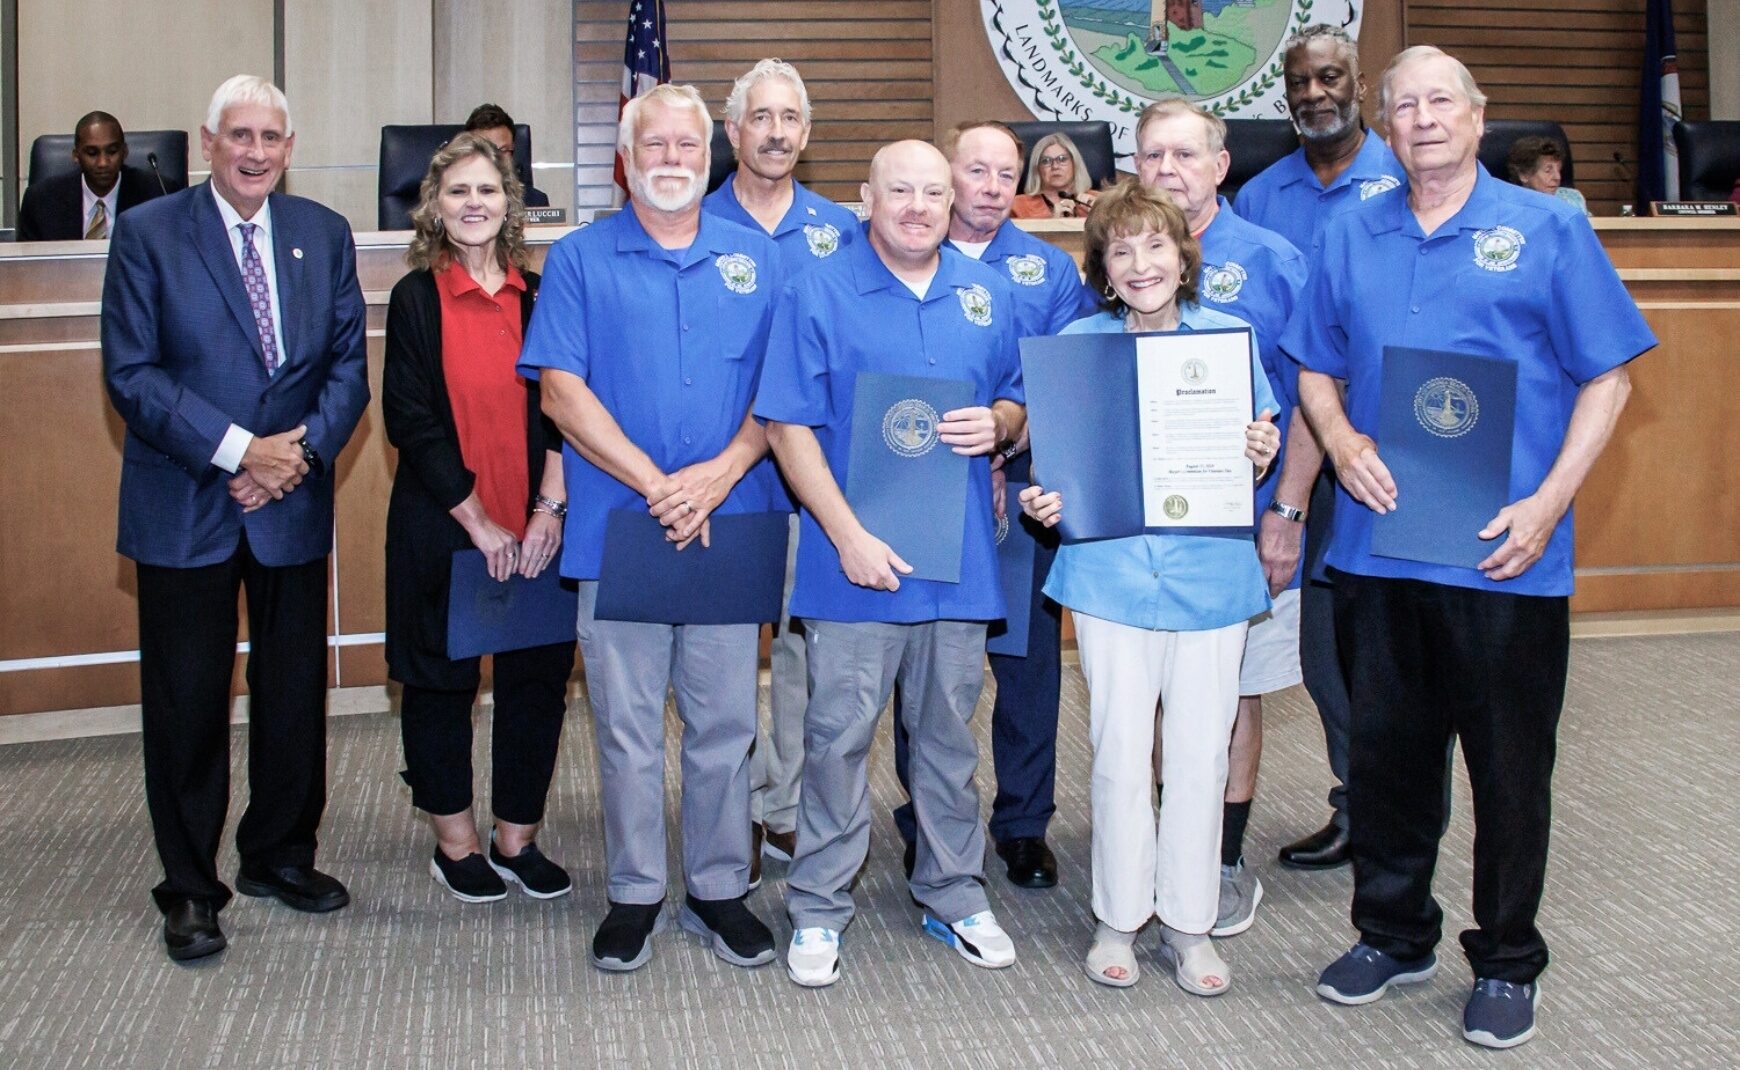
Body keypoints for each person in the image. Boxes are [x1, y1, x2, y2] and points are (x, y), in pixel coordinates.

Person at [1283, 46, 1653, 1048]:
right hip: (1376, 549)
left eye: (1441, 100)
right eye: (1403, 105)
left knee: (1508, 767)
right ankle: (1392, 932)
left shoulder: (1549, 227)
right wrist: (1345, 438)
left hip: (1506, 554)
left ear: (1477, 118)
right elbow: (1314, 365)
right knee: (1390, 762)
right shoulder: (1350, 231)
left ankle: (1507, 956)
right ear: (1386, 127)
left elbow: (1609, 376)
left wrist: (1548, 502)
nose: (1423, 118)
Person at [100, 74, 369, 962]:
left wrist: (293, 456)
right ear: (208, 142)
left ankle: (280, 855)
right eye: (239, 136)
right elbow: (132, 374)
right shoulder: (148, 233)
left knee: (292, 693)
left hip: (289, 498)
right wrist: (237, 451)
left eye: (271, 138)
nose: (255, 152)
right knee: (187, 704)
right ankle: (189, 888)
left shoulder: (322, 234)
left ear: (290, 149)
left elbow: (345, 370)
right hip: (187, 499)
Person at [518, 83, 783, 973]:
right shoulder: (581, 260)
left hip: (731, 520)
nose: (673, 160)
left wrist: (716, 475)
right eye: (656, 147)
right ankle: (634, 891)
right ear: (624, 162)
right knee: (626, 726)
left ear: (709, 158)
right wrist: (657, 482)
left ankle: (716, 887)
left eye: (688, 147)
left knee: (724, 722)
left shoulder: (759, 260)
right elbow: (560, 390)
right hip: (621, 526)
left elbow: (779, 396)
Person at [757, 139, 1026, 988]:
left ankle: (952, 889)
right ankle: (818, 904)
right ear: (864, 199)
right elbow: (787, 425)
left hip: (958, 562)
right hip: (852, 562)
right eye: (898, 190)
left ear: (954, 204)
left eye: (934, 193)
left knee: (948, 736)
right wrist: (844, 534)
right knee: (837, 738)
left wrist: (1004, 426)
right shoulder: (817, 288)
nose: (917, 206)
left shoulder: (986, 294)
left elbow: (1018, 396)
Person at [1019, 180, 1280, 993]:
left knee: (1200, 755)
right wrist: (1043, 497)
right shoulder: (1077, 345)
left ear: (1183, 256)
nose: (1141, 263)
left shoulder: (1230, 338)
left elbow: (1260, 440)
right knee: (1122, 753)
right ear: (1102, 268)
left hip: (1209, 574)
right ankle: (1119, 916)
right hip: (1110, 575)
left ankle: (1192, 925)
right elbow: (1052, 466)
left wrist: (1258, 446)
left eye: (1156, 246)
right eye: (1121, 250)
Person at [887, 120, 1096, 891]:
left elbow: (1067, 382)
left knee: (1027, 669)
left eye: (1007, 174)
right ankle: (926, 822)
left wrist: (1010, 445)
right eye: (976, 172)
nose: (993, 187)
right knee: (927, 670)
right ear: (947, 176)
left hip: (1022, 500)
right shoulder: (903, 258)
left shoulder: (1048, 272)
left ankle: (1021, 826)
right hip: (924, 495)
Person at [381, 133, 575, 905]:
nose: (473, 204)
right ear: (435, 205)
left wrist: (546, 510)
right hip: (446, 525)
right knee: (441, 683)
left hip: (537, 527)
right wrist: (479, 522)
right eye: (457, 191)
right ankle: (456, 845)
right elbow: (410, 420)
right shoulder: (416, 298)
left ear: (510, 203)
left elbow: (565, 410)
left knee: (536, 680)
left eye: (487, 191)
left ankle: (516, 839)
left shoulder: (540, 294)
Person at [1133, 97, 1310, 939]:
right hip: (1143, 535)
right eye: (1152, 156)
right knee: (1160, 698)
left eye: (1184, 155)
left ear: (1219, 163)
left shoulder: (1274, 262)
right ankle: (1172, 842)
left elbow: (1315, 397)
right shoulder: (1121, 258)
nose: (1168, 171)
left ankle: (1224, 857)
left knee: (1234, 692)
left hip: (1245, 526)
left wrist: (1286, 509)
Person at [1235, 23, 1404, 872]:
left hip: (1375, 452)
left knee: (1378, 645)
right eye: (1299, 83)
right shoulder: (1261, 198)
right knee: (1320, 650)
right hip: (1288, 452)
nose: (1314, 94)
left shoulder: (1406, 183)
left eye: (1330, 77)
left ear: (1360, 83)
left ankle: (1388, 809)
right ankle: (1358, 802)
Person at [702, 59, 860, 886]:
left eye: (789, 119)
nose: (774, 133)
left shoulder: (841, 230)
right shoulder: (688, 222)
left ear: (806, 132)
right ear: (732, 133)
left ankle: (788, 810)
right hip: (722, 481)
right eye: (758, 118)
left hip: (808, 481)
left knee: (803, 658)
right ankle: (728, 821)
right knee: (724, 664)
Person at [17, 111, 167, 241]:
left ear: (125, 152)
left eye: (112, 151)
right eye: (92, 153)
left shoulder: (158, 196)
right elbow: (26, 267)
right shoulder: (41, 201)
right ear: (76, 156)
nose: (103, 163)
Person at [462, 103, 550, 208]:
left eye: (503, 150)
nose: (495, 157)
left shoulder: (535, 201)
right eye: (486, 150)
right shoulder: (455, 199)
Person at [1011, 132, 1099, 219]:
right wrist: (1052, 224)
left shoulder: (1100, 201)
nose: (1055, 166)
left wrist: (1099, 216)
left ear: (1075, 163)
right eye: (1046, 161)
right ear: (1037, 169)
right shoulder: (1017, 206)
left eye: (1062, 159)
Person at [1506, 135, 1590, 216]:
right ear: (1524, 175)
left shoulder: (1573, 198)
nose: (1558, 177)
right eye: (1548, 171)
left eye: (1559, 170)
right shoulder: (1509, 204)